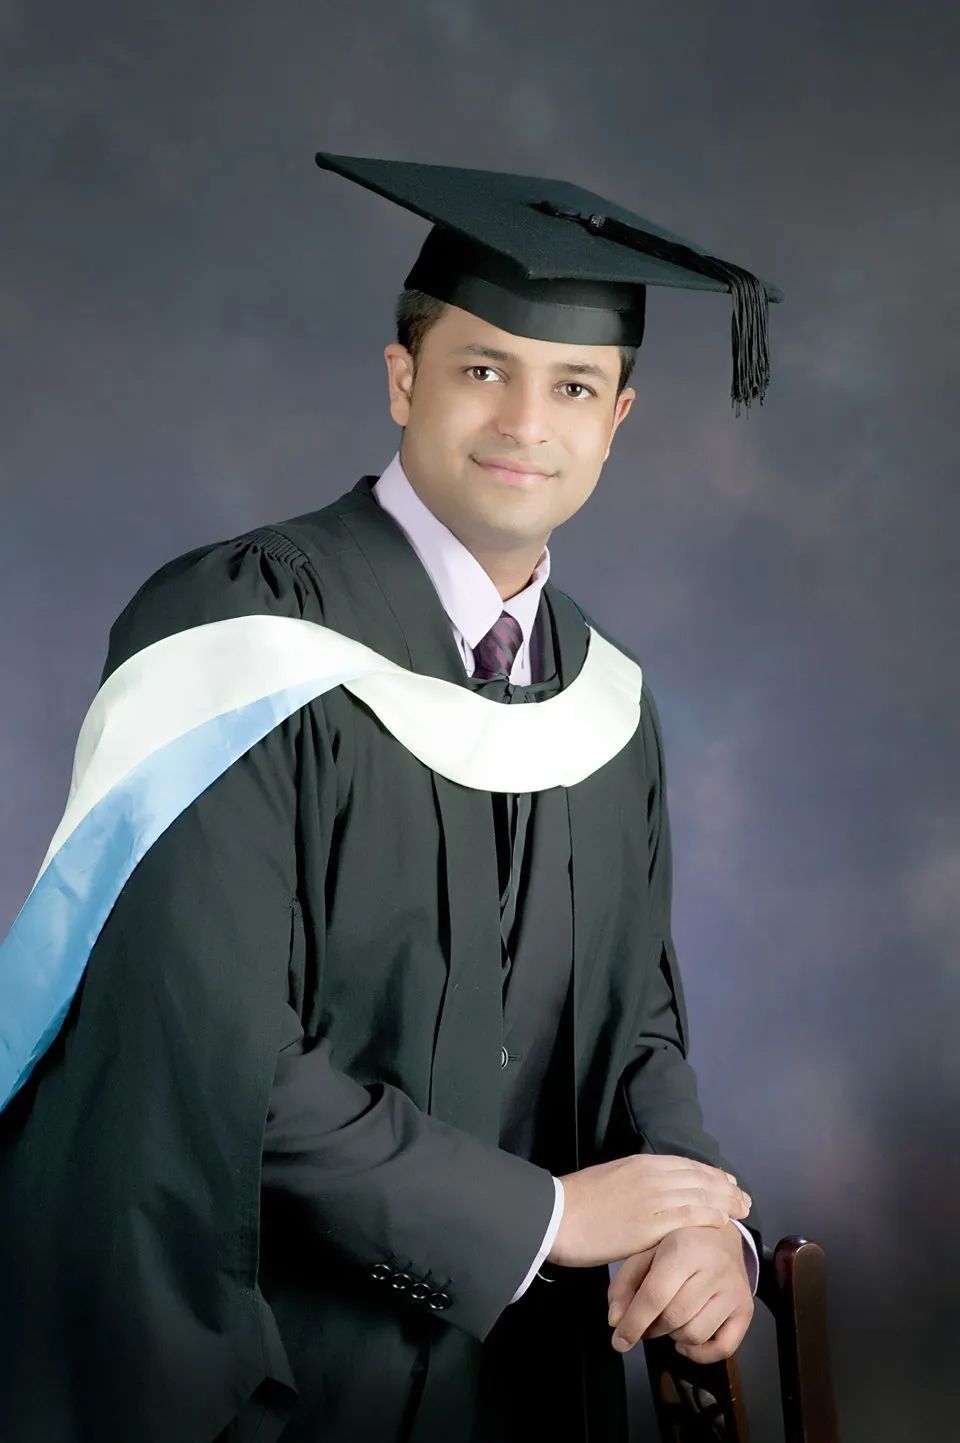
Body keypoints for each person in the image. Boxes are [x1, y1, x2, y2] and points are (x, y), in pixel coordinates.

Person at [0, 152, 781, 1442]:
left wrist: (696, 1216)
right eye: (482, 370)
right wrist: (547, 1219)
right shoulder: (235, 635)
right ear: (403, 378)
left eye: (572, 386)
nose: (526, 422)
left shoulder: (608, 700)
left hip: (531, 1379)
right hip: (275, 1372)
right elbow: (208, 1048)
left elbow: (638, 1023)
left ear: (617, 419)